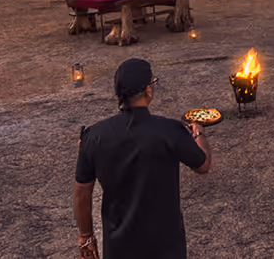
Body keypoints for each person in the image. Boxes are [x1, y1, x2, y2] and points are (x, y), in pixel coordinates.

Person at [74, 59, 213, 259]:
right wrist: (198, 133)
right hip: (166, 247)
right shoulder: (170, 130)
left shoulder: (93, 136)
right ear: (148, 91)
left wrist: (86, 237)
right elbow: (203, 165)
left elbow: (82, 192)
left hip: (119, 248)